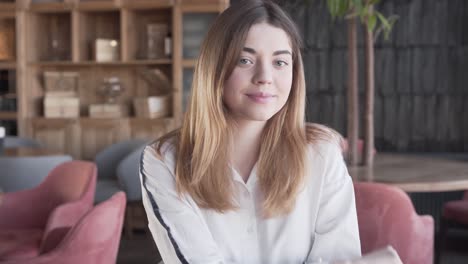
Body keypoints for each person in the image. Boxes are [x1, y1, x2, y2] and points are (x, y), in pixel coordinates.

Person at [140, 0, 361, 263]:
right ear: (215, 69)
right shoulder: (164, 161)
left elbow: (340, 258)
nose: (265, 76)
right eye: (245, 60)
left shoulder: (323, 154)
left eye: (280, 62)